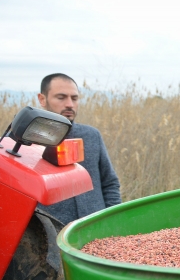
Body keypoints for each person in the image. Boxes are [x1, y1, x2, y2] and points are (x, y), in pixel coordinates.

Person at [36, 73, 121, 224]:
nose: (69, 104)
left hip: (95, 230)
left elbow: (109, 183)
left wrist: (114, 221)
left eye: (74, 98)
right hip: (48, 236)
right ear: (42, 99)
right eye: (61, 97)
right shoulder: (24, 140)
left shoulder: (91, 135)